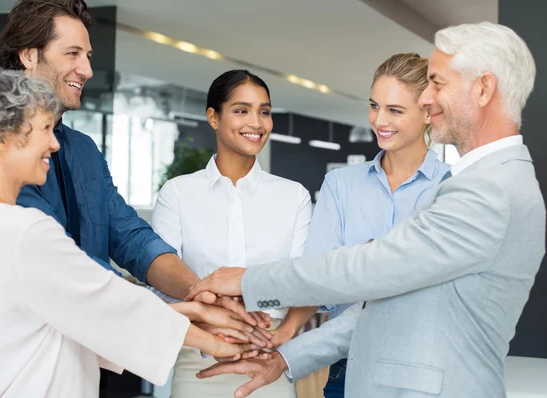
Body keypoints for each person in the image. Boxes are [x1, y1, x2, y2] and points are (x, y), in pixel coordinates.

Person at [188, 22, 545, 398]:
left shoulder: (486, 188)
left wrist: (249, 281)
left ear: (483, 88)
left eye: (438, 83)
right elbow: (383, 302)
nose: (427, 98)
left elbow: (374, 268)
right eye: (376, 106)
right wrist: (286, 357)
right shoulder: (492, 180)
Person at [0, 0, 268, 327]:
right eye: (72, 54)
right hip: (20, 354)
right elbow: (55, 261)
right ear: (29, 55)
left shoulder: (83, 149)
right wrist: (188, 313)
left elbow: (130, 237)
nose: (86, 70)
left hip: (91, 353)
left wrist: (197, 291)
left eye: (87, 57)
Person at [0, 66, 257, 397]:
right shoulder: (25, 230)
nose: (54, 144)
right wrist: (222, 343)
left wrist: (193, 311)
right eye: (43, 129)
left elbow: (75, 320)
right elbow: (110, 306)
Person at [279, 52, 449, 398]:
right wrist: (286, 330)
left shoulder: (450, 188)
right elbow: (320, 276)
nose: (379, 120)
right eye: (374, 106)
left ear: (428, 113)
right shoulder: (341, 185)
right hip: (349, 367)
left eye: (395, 110)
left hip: (426, 371)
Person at [152, 69, 312, 398]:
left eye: (264, 112)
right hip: (198, 360)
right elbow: (162, 280)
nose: (256, 122)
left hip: (267, 361)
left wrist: (279, 332)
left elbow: (303, 279)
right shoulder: (178, 193)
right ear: (213, 117)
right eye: (241, 110)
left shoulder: (293, 196)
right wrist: (214, 322)